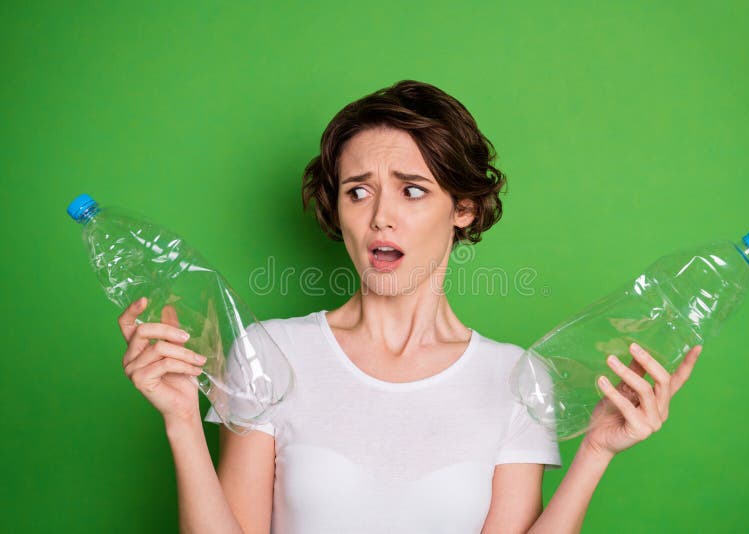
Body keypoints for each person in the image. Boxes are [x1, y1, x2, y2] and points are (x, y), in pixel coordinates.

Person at [117, 80, 702, 533]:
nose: (380, 216)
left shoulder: (517, 378)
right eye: (358, 190)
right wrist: (181, 420)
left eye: (412, 189)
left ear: (464, 208)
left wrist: (595, 451)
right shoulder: (269, 352)